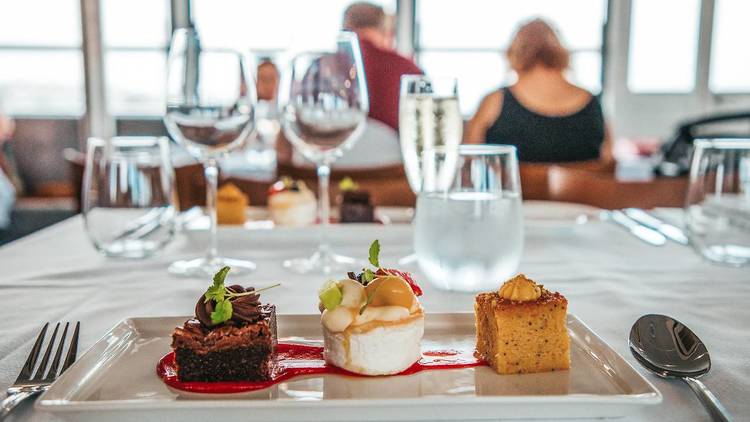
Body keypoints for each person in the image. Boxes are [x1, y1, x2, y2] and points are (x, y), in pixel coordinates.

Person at [465, 19, 612, 163]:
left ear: (514, 53)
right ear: (561, 53)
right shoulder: (592, 102)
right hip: (581, 188)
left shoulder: (495, 101)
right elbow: (609, 163)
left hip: (517, 188)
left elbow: (467, 162)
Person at [343, 2, 422, 133]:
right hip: (395, 152)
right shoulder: (409, 71)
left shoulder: (321, 68)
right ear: (387, 32)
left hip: (330, 151)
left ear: (345, 27)